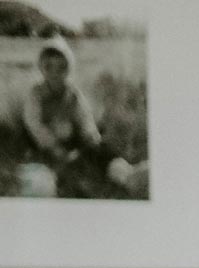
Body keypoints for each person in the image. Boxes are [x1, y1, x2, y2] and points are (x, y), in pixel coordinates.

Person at [20, 35, 136, 198]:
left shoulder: (73, 95)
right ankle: (55, 179)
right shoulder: (36, 94)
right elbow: (34, 124)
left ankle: (124, 173)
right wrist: (54, 147)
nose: (55, 73)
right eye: (48, 67)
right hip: (43, 141)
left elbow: (85, 119)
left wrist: (91, 138)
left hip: (69, 138)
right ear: (42, 68)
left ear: (68, 69)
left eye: (61, 68)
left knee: (98, 149)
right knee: (42, 163)